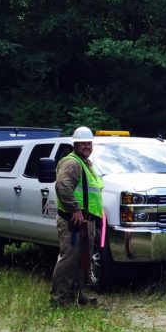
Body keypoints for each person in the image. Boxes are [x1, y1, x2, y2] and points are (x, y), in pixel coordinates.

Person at [50, 127, 104, 307]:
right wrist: (75, 210)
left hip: (85, 221)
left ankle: (79, 296)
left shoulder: (85, 163)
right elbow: (62, 186)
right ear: (75, 144)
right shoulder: (72, 163)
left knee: (82, 260)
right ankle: (60, 299)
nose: (87, 146)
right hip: (73, 221)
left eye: (89, 143)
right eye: (83, 143)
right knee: (70, 259)